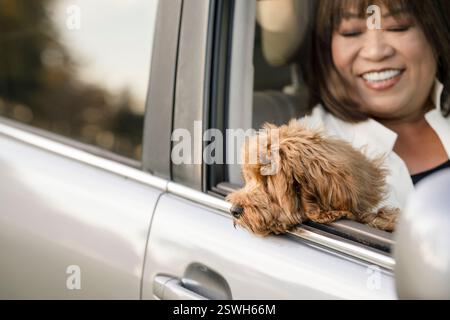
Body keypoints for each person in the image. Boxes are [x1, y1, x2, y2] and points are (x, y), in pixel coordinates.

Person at [301, 0, 450, 210]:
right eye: (351, 32)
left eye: (397, 26)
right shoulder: (306, 156)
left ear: (437, 33)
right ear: (327, 48)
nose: (375, 52)